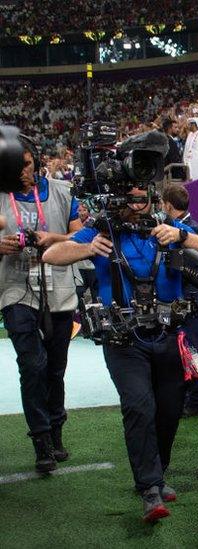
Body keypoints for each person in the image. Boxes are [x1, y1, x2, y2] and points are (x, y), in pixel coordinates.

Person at [44, 184, 198, 522]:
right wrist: (86, 248)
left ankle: (158, 471)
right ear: (121, 201)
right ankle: (150, 487)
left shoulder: (166, 227)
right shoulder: (103, 231)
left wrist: (183, 238)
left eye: (145, 199)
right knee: (140, 406)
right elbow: (52, 255)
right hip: (123, 340)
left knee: (169, 410)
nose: (139, 206)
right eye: (133, 199)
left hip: (168, 336)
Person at [0, 135, 82, 473]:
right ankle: (42, 439)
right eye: (15, 166)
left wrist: (55, 238)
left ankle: (57, 430)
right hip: (15, 290)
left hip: (59, 289)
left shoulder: (63, 192)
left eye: (27, 164)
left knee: (55, 368)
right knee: (31, 366)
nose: (22, 172)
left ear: (37, 160)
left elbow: (82, 237)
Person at [159, 184, 198, 418]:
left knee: (192, 349)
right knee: (185, 348)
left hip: (191, 297)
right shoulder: (188, 226)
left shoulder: (190, 230)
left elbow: (196, 266)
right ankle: (192, 395)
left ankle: (197, 398)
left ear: (168, 205)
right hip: (186, 296)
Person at [182, 118, 198, 182]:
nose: (188, 126)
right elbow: (186, 149)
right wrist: (184, 160)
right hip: (189, 163)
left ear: (193, 125)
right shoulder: (189, 135)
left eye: (189, 124)